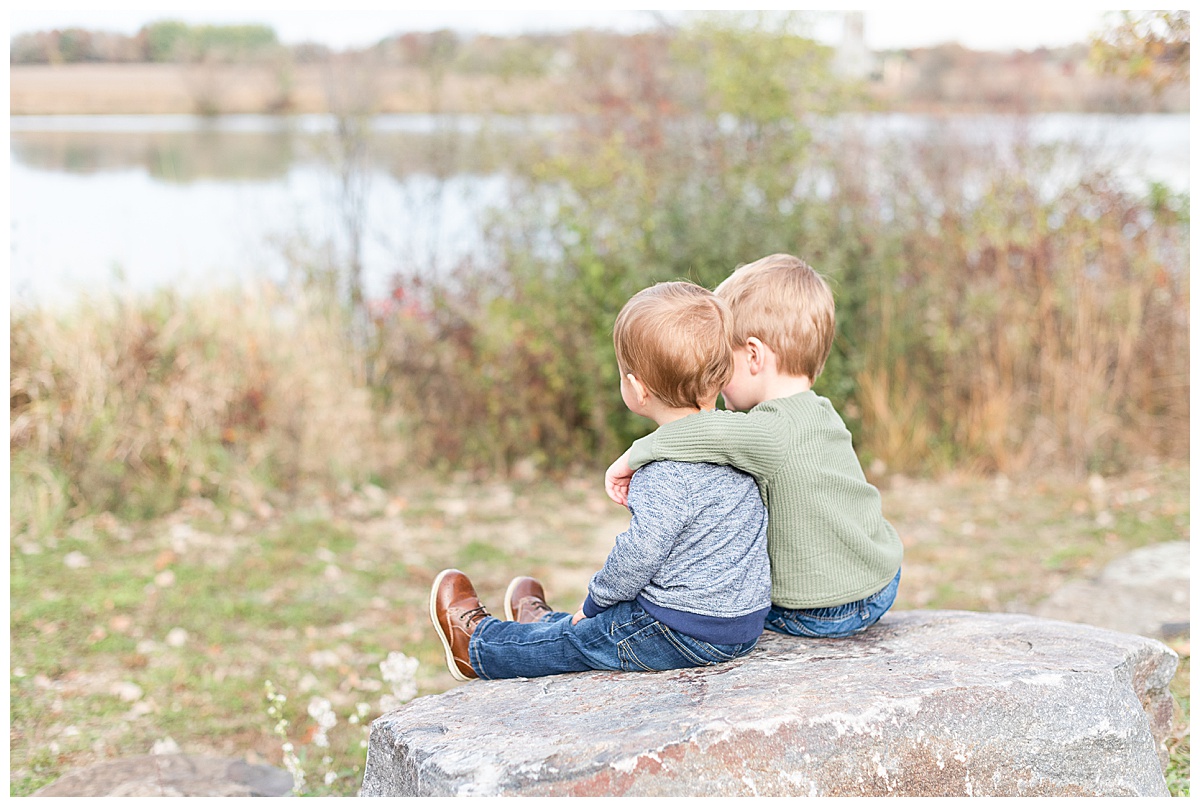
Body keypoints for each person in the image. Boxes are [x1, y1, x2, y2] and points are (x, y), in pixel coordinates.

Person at [429, 281, 771, 681]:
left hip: (683, 629)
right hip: (740, 623)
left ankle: (479, 647)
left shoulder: (665, 471)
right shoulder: (739, 443)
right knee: (601, 627)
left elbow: (638, 556)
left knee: (581, 639)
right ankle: (541, 623)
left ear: (637, 389)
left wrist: (596, 600)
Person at [605, 254, 903, 639]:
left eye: (720, 363)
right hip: (881, 582)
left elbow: (701, 430)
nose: (714, 376)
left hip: (823, 610)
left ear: (754, 355)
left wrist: (633, 457)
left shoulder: (767, 429)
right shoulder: (821, 411)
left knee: (718, 610)